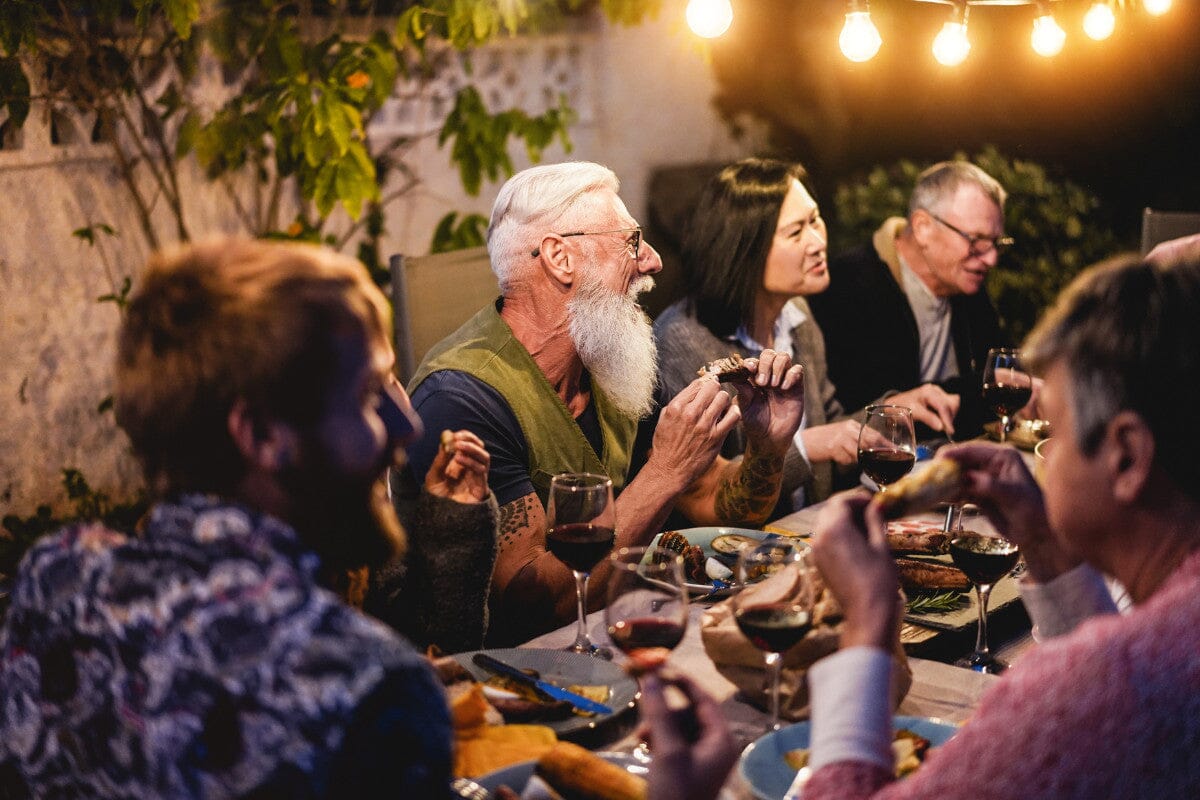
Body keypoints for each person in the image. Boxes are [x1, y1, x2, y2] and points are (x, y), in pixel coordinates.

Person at [0, 238, 498, 797]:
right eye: (366, 395)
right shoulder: (370, 692)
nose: (408, 426)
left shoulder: (56, 580)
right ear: (261, 434)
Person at [803, 251, 1200, 799]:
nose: (1044, 455)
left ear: (1127, 457)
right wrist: (1042, 540)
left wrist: (868, 619)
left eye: (1056, 431)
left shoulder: (1117, 685)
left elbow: (1105, 688)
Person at [405, 161, 806, 645]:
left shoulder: (609, 359)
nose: (653, 261)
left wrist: (767, 445)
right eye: (631, 242)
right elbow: (536, 607)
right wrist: (665, 471)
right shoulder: (460, 398)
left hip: (617, 630)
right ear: (560, 258)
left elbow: (714, 505)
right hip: (517, 669)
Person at [654, 158, 959, 512]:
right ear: (745, 250)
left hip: (805, 531)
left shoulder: (796, 314)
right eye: (796, 232)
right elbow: (701, 490)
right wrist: (804, 448)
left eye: (814, 220)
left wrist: (895, 408)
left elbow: (831, 428)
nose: (817, 242)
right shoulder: (682, 340)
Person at [808, 160, 1013, 438]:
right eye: (976, 240)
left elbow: (1000, 371)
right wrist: (974, 393)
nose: (991, 258)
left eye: (996, 243)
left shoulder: (965, 284)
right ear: (923, 227)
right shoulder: (849, 286)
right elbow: (880, 412)